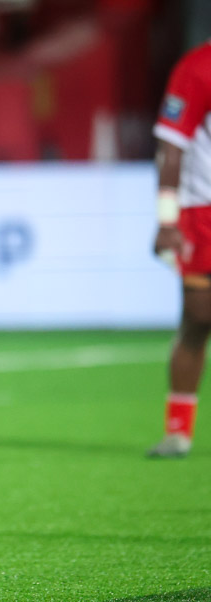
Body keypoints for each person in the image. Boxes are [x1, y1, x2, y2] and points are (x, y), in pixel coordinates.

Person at [149, 39, 211, 458]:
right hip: (201, 209)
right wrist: (167, 219)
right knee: (198, 316)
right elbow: (171, 145)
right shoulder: (198, 67)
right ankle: (178, 431)